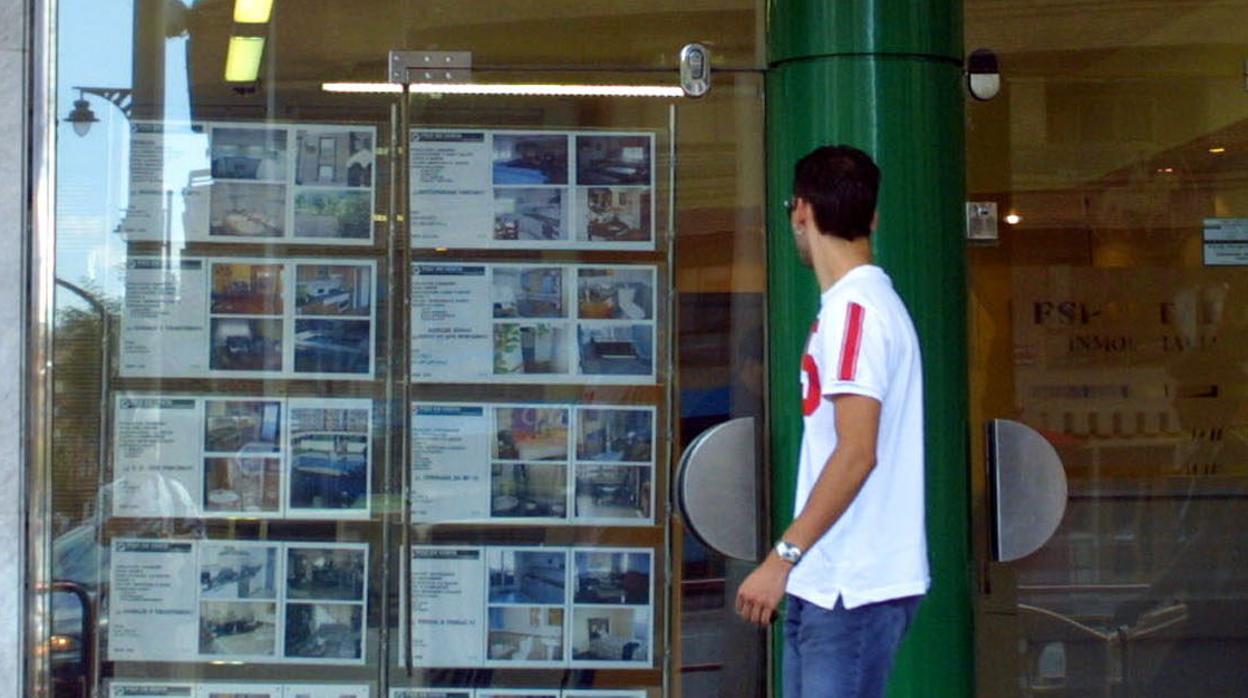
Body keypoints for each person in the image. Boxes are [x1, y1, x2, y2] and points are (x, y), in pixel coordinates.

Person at [735, 145, 929, 698]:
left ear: (800, 210)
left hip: (851, 587)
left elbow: (855, 451)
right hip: (835, 585)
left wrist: (781, 558)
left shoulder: (854, 313)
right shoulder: (867, 305)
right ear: (872, 218)